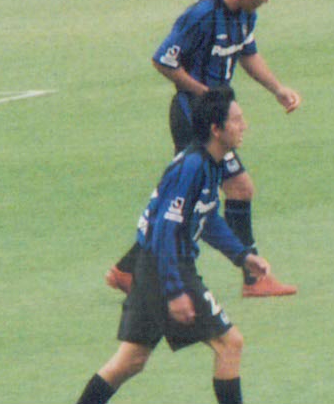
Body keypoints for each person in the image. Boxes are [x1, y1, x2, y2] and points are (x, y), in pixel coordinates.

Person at [106, 0, 301, 298]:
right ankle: (254, 278)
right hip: (193, 116)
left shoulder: (245, 16)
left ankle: (128, 269)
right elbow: (163, 60)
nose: (264, 5)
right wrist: (204, 95)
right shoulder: (201, 15)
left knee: (190, 194)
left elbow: (248, 54)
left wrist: (277, 89)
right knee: (233, 188)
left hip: (215, 115)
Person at [73, 88, 274, 404]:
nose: (244, 125)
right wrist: (175, 290)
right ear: (216, 129)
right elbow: (165, 231)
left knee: (131, 360)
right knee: (229, 344)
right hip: (166, 266)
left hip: (152, 265)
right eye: (236, 120)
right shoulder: (192, 167)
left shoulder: (211, 162)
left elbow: (207, 217)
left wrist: (242, 256)